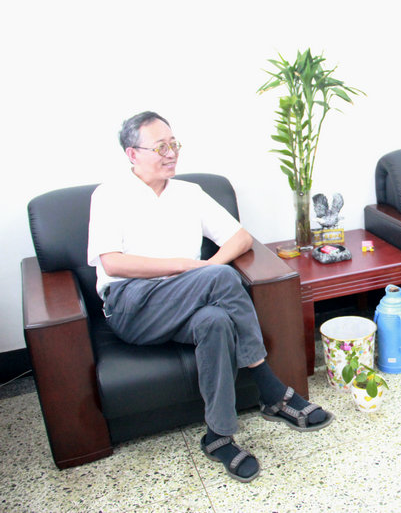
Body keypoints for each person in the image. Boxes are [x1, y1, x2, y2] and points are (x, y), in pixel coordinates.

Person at [87, 111, 334, 484]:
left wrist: (205, 271)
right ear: (132, 154)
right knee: (217, 278)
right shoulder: (110, 195)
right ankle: (271, 389)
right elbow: (112, 262)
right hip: (131, 304)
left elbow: (241, 238)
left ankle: (218, 436)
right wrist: (187, 268)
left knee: (215, 321)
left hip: (189, 300)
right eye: (160, 147)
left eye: (174, 144)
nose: (171, 153)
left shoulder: (189, 193)